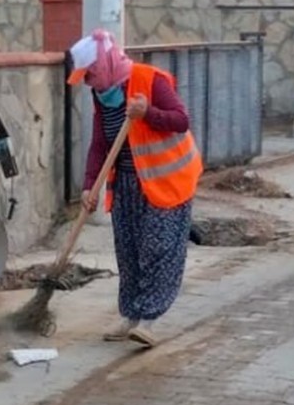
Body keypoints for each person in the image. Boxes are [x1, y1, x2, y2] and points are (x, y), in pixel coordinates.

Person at [70, 29, 201, 349]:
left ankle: (149, 319)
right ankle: (130, 316)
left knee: (158, 248)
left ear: (104, 64)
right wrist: (89, 186)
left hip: (166, 180)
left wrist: (147, 113)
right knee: (129, 251)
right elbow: (100, 144)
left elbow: (181, 120)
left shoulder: (150, 80)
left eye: (90, 74)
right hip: (128, 182)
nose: (88, 82)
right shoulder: (101, 94)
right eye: (85, 78)